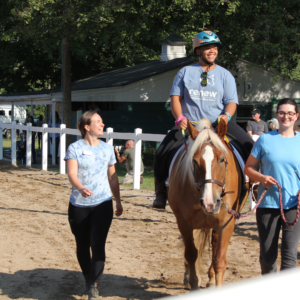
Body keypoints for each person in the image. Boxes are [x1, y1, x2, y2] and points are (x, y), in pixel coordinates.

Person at [153, 30, 254, 209]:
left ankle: (251, 185)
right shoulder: (185, 72)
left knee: (249, 145)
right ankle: (160, 191)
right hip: (191, 124)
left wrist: (227, 116)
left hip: (218, 124)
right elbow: (176, 98)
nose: (212, 51)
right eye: (207, 47)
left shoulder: (225, 75)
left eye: (214, 47)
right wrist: (180, 118)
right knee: (162, 150)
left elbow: (231, 102)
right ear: (198, 51)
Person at [65, 111, 123, 299]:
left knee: (98, 244)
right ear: (86, 127)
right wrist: (81, 188)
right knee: (82, 245)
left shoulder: (107, 149)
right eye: (98, 122)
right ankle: (88, 278)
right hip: (79, 205)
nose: (102, 124)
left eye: (102, 121)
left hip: (103, 203)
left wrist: (118, 201)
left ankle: (94, 285)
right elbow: (72, 174)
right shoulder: (74, 148)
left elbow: (112, 177)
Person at [245, 98, 300, 274]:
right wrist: (261, 178)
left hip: (294, 204)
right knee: (268, 258)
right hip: (268, 205)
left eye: (290, 113)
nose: (286, 117)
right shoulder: (265, 139)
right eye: (282, 113)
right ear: (276, 115)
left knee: (290, 257)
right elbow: (249, 168)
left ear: (296, 116)